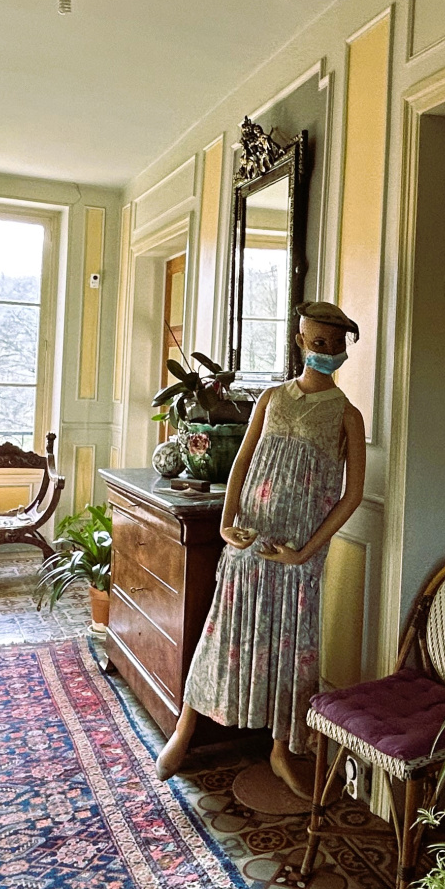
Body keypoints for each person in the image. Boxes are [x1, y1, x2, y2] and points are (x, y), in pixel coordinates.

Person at [155, 301, 367, 795]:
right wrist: (226, 524)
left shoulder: (347, 416)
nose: (329, 351)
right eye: (320, 342)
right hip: (249, 539)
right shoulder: (272, 398)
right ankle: (185, 728)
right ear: (301, 342)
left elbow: (352, 494)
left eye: (337, 344)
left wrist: (305, 552)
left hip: (296, 553)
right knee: (221, 633)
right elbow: (242, 463)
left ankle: (280, 750)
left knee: (290, 649)